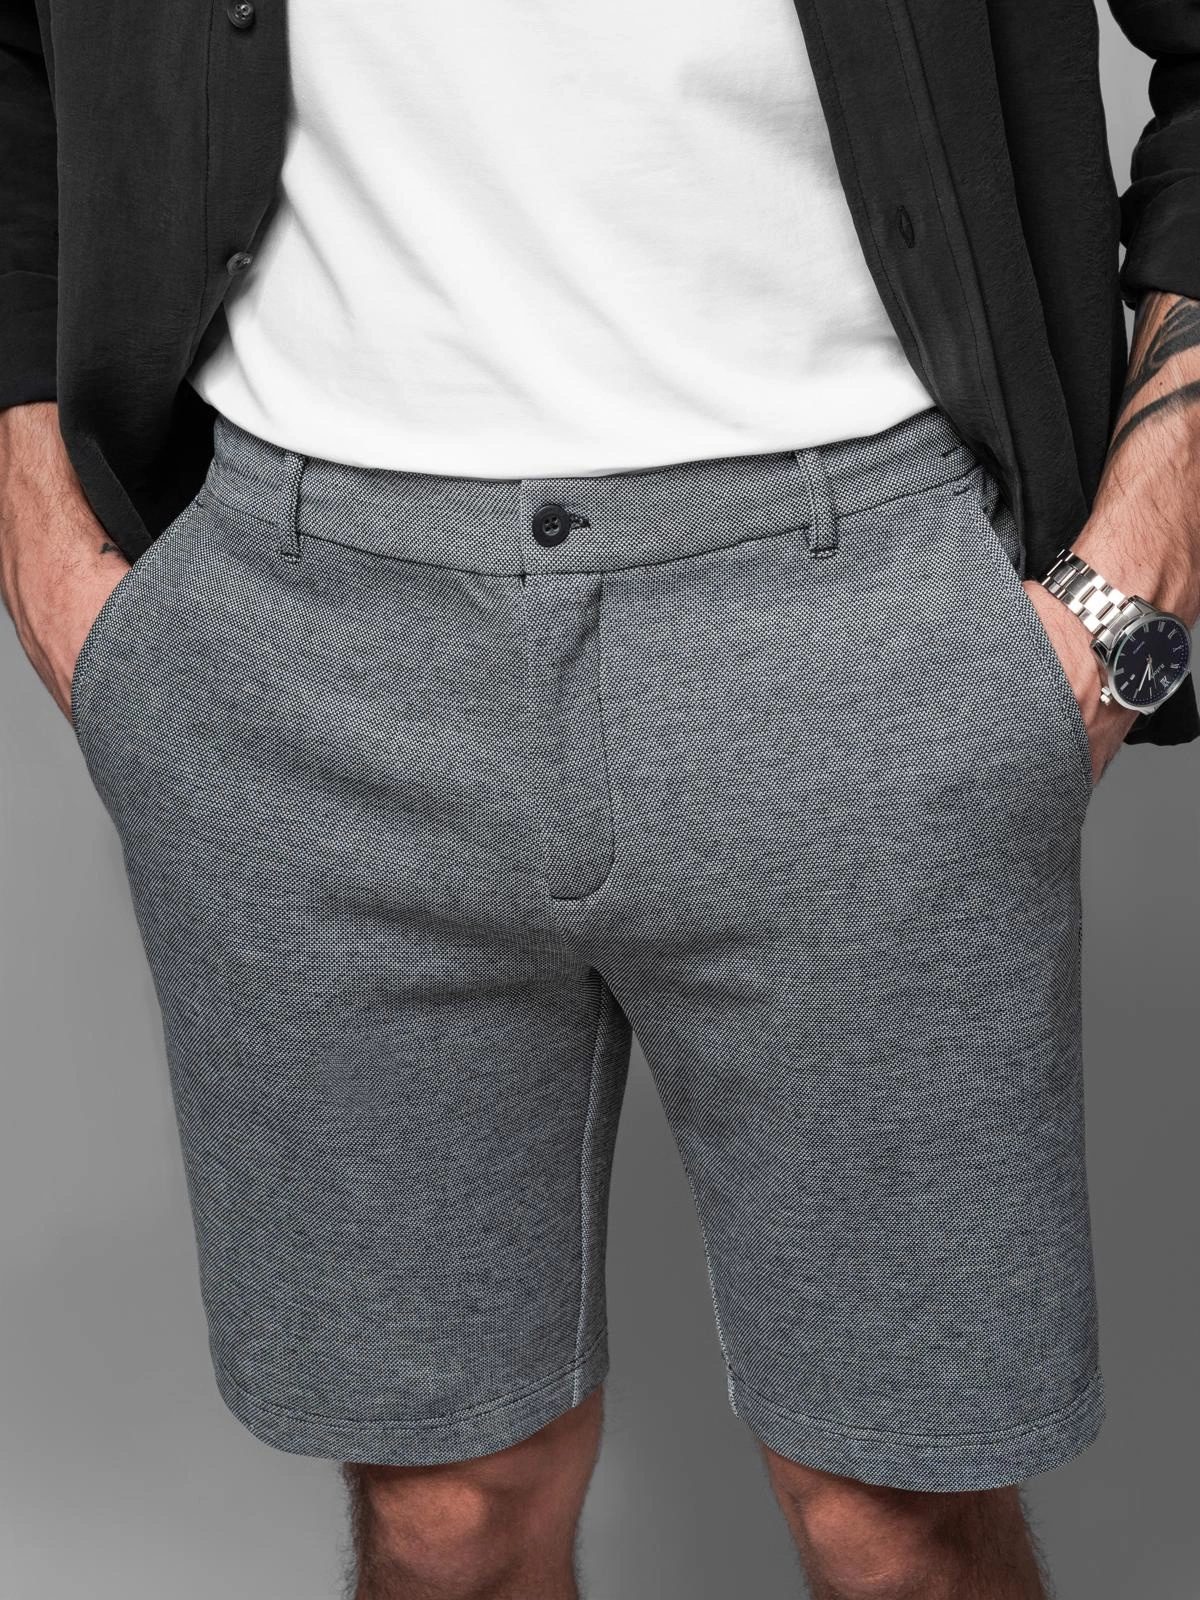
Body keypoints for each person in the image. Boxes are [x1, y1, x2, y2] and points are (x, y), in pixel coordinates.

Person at [1, 1, 1197, 1595]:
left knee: (899, 1531)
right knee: (447, 1519)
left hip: (865, 614)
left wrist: (1143, 561)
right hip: (310, 637)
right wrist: (43, 528)